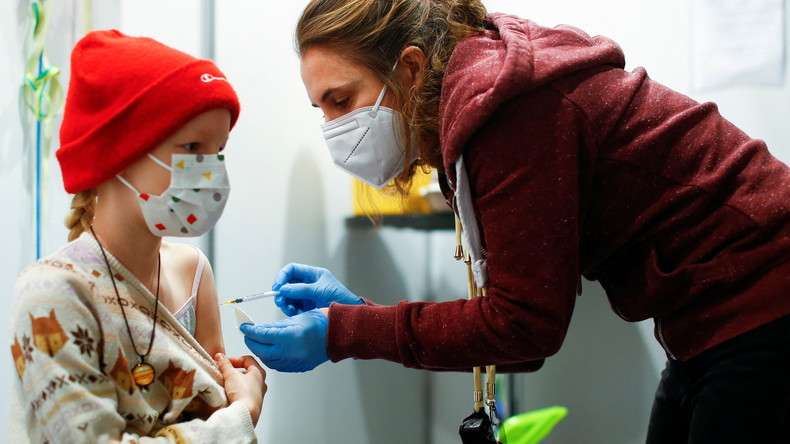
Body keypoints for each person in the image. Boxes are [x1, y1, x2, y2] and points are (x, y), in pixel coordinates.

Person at [239, 0, 790, 442]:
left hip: (764, 302)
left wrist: (345, 331)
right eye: (323, 110)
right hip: (708, 321)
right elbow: (520, 341)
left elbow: (525, 327)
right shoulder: (475, 102)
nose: (336, 127)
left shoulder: (507, 111)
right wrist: (362, 315)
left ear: (409, 68)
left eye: (343, 100)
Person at [9, 30, 265, 443]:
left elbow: (214, 405)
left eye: (218, 151)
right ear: (119, 153)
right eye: (192, 148)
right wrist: (243, 414)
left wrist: (234, 404)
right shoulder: (55, 294)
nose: (211, 173)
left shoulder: (193, 271)